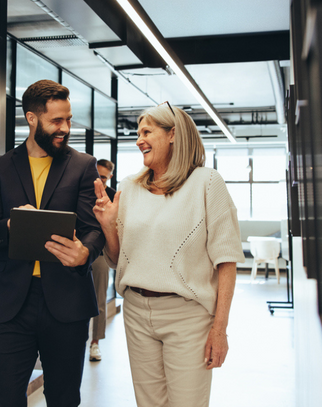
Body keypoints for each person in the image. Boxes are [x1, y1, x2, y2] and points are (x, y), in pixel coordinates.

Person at [93, 102, 244, 407]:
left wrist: (220, 329)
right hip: (135, 310)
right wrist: (109, 227)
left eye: (146, 131)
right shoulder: (129, 188)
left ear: (172, 134)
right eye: (137, 133)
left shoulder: (207, 183)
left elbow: (226, 261)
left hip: (187, 316)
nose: (139, 140)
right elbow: (117, 259)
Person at [0, 79, 105, 407]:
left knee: (63, 398)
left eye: (68, 120)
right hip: (11, 304)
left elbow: (93, 229)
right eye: (56, 121)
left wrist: (85, 251)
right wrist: (12, 224)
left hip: (67, 301)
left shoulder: (83, 166)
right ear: (32, 119)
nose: (65, 128)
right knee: (2, 399)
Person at [89, 159, 116, 362]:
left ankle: (95, 343)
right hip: (80, 250)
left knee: (99, 300)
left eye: (103, 177)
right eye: (96, 175)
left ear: (110, 177)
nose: (99, 179)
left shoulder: (115, 197)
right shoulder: (83, 192)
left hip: (101, 255)